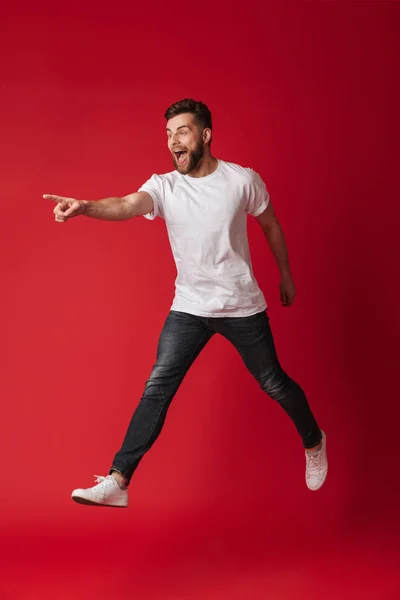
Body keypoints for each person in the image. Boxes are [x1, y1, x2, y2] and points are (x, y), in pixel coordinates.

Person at [44, 98, 328, 508]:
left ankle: (314, 440)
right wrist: (85, 207)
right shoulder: (164, 186)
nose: (173, 141)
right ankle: (118, 480)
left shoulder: (241, 180)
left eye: (182, 131)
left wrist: (285, 274)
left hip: (240, 305)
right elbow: (125, 205)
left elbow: (270, 224)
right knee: (157, 388)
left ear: (205, 135)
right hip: (190, 308)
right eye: (168, 133)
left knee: (273, 383)